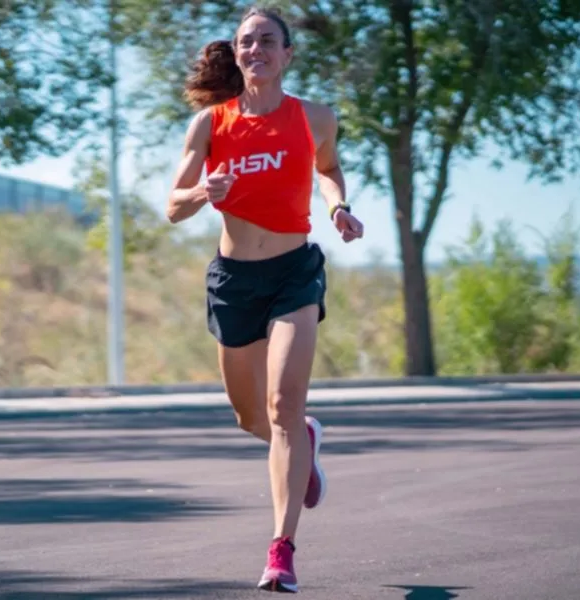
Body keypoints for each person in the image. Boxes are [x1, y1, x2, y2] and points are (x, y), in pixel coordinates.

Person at [164, 5, 364, 594]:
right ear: (238, 51)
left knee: (281, 404)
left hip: (293, 273)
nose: (257, 50)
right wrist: (205, 189)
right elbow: (172, 208)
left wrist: (338, 207)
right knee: (252, 417)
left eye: (268, 41)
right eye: (247, 42)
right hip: (233, 280)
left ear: (287, 55)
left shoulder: (315, 118)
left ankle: (281, 550)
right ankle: (304, 440)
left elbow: (328, 169)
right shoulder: (210, 124)